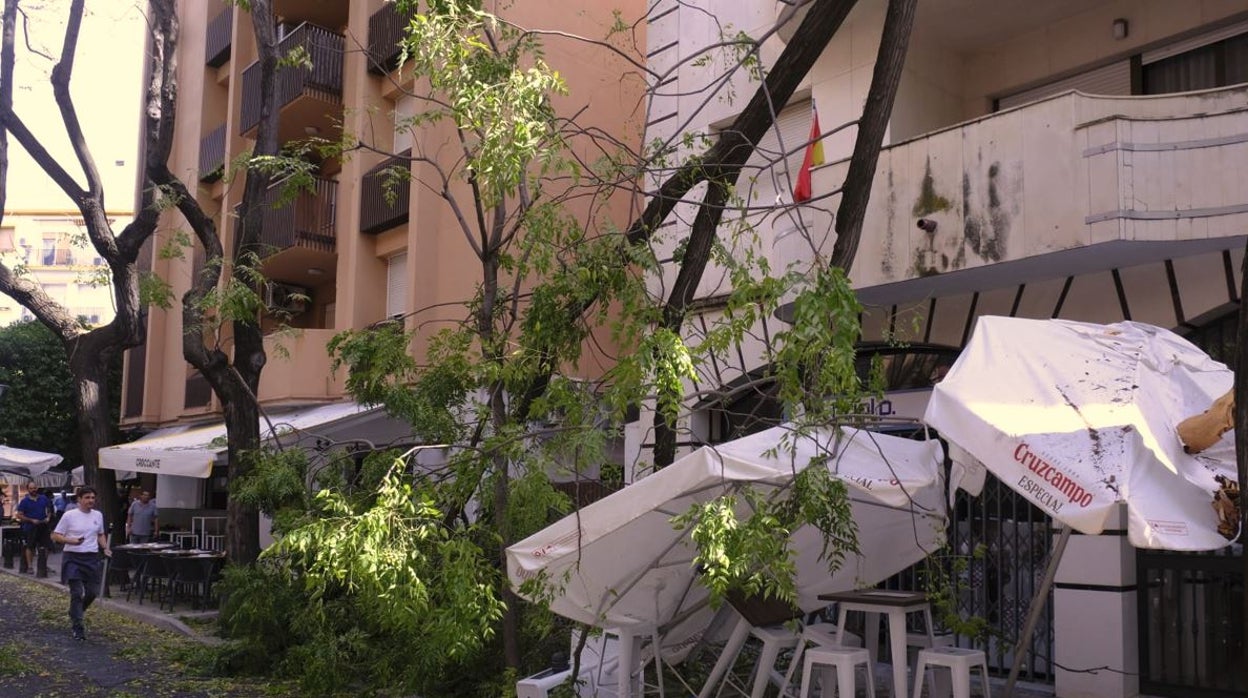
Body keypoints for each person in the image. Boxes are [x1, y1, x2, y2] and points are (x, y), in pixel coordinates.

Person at [52, 486, 109, 641]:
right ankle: (78, 626)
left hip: (91, 558)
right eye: (87, 497)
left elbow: (100, 534)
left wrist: (105, 547)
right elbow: (56, 536)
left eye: (92, 497)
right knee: (76, 592)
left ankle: (76, 612)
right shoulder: (69, 516)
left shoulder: (98, 515)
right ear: (79, 499)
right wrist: (70, 540)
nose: (91, 500)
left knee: (92, 592)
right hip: (72, 558)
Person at [14, 482, 52, 573]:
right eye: (31, 488)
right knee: (30, 546)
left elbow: (49, 509)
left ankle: (43, 565)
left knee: (46, 546)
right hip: (30, 527)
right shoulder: (24, 501)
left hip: (43, 525)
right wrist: (31, 520)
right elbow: (19, 515)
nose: (33, 490)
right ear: (28, 489)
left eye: (34, 488)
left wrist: (48, 517)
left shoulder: (43, 498)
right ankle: (30, 567)